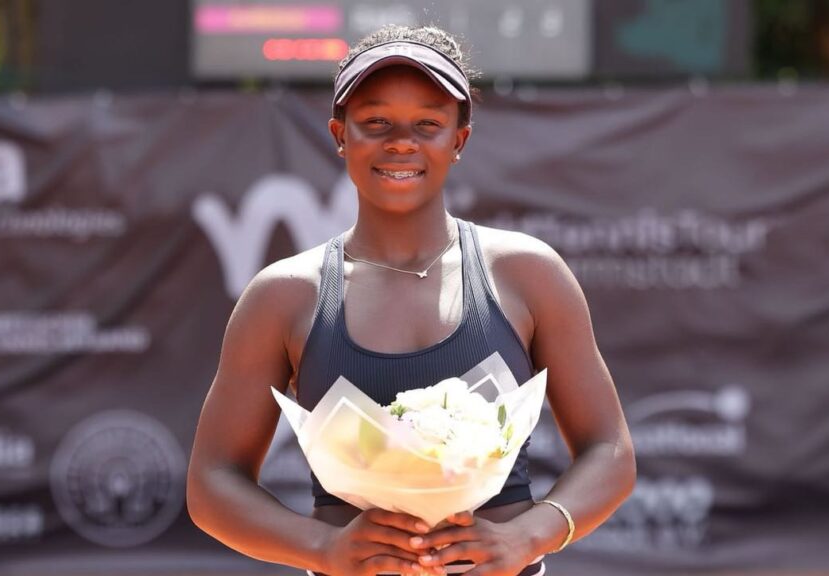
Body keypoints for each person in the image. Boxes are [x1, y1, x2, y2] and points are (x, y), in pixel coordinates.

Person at [187, 25, 635, 576]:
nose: (402, 141)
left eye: (428, 123)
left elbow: (610, 451)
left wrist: (526, 537)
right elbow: (212, 484)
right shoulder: (283, 296)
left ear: (459, 140)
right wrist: (322, 548)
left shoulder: (528, 273)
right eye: (376, 122)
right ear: (339, 134)